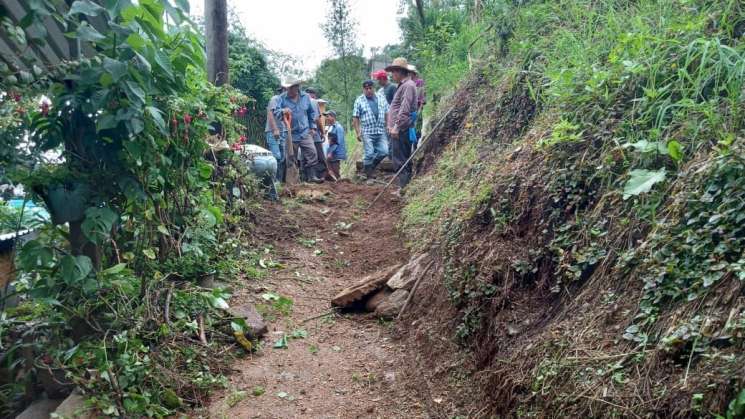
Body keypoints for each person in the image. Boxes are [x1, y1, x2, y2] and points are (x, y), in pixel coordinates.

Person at [274, 77, 324, 183]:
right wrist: (283, 111)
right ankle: (292, 181)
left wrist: (313, 127)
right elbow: (276, 113)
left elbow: (311, 113)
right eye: (288, 88)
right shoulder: (281, 98)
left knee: (312, 153)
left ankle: (311, 176)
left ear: (297, 87)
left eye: (291, 88)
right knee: (291, 157)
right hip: (290, 133)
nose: (289, 90)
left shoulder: (305, 97)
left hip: (305, 132)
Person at [386, 57, 418, 189]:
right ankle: (404, 187)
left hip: (401, 130)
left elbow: (404, 108)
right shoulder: (404, 86)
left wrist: (396, 127)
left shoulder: (408, 86)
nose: (392, 75)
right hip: (399, 129)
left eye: (393, 72)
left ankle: (403, 188)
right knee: (400, 158)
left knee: (400, 161)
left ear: (399, 72)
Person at [352, 80, 389, 179]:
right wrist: (358, 132)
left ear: (374, 88)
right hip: (367, 131)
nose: (368, 90)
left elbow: (387, 112)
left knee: (384, 151)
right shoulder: (359, 100)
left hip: (380, 130)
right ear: (363, 89)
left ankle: (371, 166)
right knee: (369, 153)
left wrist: (388, 125)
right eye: (366, 89)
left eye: (370, 88)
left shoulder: (381, 98)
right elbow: (355, 117)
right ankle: (369, 175)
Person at [265, 86, 287, 182]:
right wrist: (275, 129)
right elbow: (270, 113)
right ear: (283, 90)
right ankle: (273, 182)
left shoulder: (286, 102)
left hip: (283, 132)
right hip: (273, 132)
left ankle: (279, 182)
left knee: (282, 157)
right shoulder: (275, 99)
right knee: (276, 156)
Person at [325, 112, 347, 180]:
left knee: (335, 171)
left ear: (333, 117)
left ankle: (340, 186)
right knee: (330, 171)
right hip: (331, 153)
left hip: (336, 153)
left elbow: (338, 141)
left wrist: (331, 152)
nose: (326, 118)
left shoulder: (338, 127)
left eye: (328, 116)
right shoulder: (331, 127)